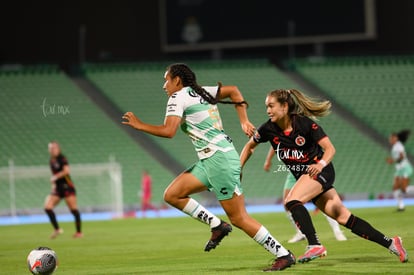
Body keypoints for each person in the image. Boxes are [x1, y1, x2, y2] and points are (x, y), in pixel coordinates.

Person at [122, 63, 296, 271]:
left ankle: (283, 254)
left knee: (239, 218)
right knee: (172, 194)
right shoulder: (201, 92)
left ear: (177, 80)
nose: (164, 85)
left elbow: (169, 131)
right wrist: (243, 121)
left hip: (219, 161)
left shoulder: (178, 97)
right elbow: (233, 90)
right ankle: (217, 225)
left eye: (166, 79)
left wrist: (139, 125)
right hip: (211, 160)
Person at [240, 89, 408, 264]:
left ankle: (314, 245)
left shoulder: (305, 124)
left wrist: (319, 165)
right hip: (307, 176)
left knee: (291, 201)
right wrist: (239, 169)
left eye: (271, 106)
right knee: (344, 217)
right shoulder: (268, 129)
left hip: (321, 171)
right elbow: (249, 147)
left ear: (284, 106)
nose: (268, 110)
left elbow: (330, 149)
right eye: (266, 106)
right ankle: (392, 243)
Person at [264, 148, 347, 243]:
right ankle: (300, 232)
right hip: (294, 172)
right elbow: (274, 146)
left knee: (323, 201)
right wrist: (268, 160)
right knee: (287, 203)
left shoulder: (302, 135)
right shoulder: (278, 136)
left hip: (310, 168)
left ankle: (337, 231)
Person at [45, 141, 82, 238]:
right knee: (48, 207)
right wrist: (53, 185)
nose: (53, 150)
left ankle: (79, 232)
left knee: (73, 210)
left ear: (58, 149)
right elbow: (54, 176)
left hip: (67, 187)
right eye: (51, 148)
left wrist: (55, 177)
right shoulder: (51, 161)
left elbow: (66, 171)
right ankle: (57, 229)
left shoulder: (62, 158)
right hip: (58, 188)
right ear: (49, 150)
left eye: (55, 148)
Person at [386, 130, 414, 211]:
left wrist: (392, 161)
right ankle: (401, 206)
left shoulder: (399, 146)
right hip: (399, 170)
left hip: (405, 168)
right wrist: (392, 160)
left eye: (391, 138)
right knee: (395, 188)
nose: (390, 139)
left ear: (396, 138)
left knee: (404, 189)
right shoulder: (395, 146)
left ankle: (401, 206)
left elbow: (402, 157)